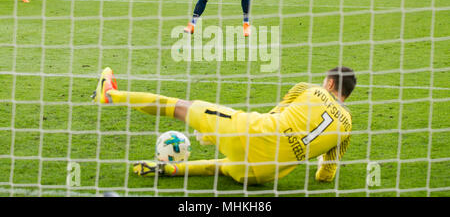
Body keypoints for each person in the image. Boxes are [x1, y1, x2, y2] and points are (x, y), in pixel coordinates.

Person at [92, 66, 356, 185]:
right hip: (262, 174)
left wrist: (213, 133)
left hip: (249, 133)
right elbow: (326, 175)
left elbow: (273, 115)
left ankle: (110, 94)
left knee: (179, 105)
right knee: (221, 167)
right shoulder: (347, 127)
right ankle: (171, 169)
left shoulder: (307, 89)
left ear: (330, 84)